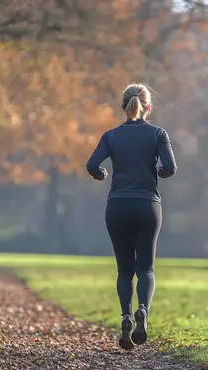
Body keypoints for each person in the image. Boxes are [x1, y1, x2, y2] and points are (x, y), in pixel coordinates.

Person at [86, 83, 177, 351]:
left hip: (118, 207)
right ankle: (143, 313)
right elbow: (170, 167)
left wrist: (101, 175)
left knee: (124, 270)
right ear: (148, 107)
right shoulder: (158, 134)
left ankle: (126, 315)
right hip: (148, 206)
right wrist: (160, 173)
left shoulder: (111, 136)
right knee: (146, 268)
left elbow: (93, 165)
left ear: (123, 106)